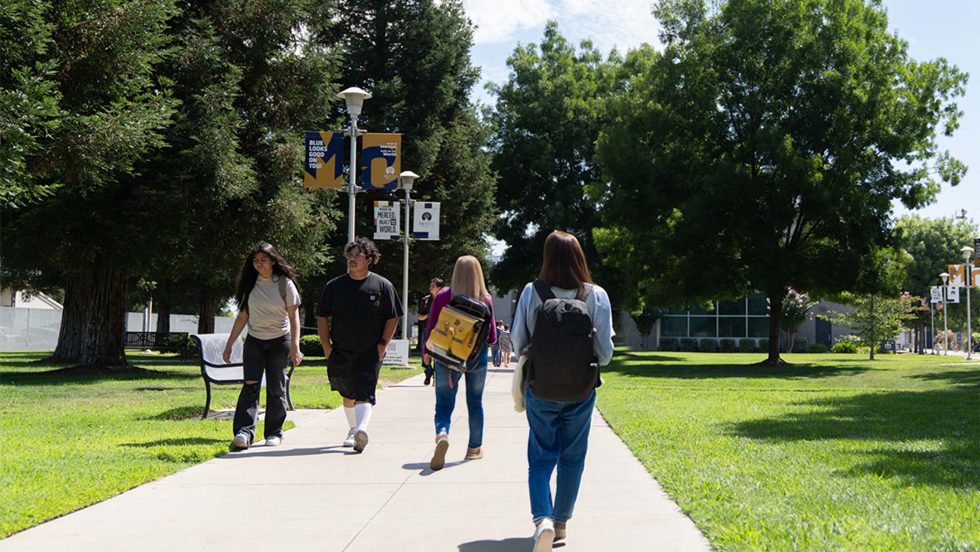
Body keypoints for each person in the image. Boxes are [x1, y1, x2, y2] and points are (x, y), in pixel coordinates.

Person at [511, 231, 614, 550]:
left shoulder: (532, 291)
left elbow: (517, 342)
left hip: (540, 387)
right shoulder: (596, 295)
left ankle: (541, 519)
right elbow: (606, 354)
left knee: (541, 457)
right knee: (573, 457)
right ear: (579, 258)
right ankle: (561, 524)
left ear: (547, 258)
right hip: (581, 390)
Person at [316, 238, 402, 453]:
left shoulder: (383, 286)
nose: (352, 260)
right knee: (348, 393)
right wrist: (327, 347)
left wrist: (382, 344)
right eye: (349, 256)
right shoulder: (334, 286)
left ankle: (361, 430)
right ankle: (353, 428)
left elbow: (393, 317)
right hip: (341, 349)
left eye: (357, 256)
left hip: (370, 350)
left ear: (369, 260)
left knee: (365, 391)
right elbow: (322, 317)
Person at [223, 241, 303, 451]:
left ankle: (274, 432)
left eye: (263, 260)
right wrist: (230, 344)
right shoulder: (250, 284)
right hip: (255, 341)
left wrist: (295, 346)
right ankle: (244, 432)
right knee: (250, 385)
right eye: (255, 261)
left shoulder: (284, 283)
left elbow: (294, 317)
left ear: (273, 260)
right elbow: (242, 317)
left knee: (277, 387)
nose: (259, 264)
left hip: (279, 341)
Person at [423, 255, 497, 471]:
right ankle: (474, 448)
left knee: (444, 403)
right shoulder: (485, 299)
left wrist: (427, 352)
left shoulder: (443, 295)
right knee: (475, 402)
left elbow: (432, 328)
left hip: (446, 357)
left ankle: (442, 433)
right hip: (476, 359)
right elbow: (492, 337)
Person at [417, 278, 445, 385]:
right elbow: (420, 316)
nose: (430, 288)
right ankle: (428, 372)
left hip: (441, 330)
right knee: (425, 352)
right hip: (427, 329)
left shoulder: (445, 299)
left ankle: (439, 374)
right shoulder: (425, 300)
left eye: (433, 286)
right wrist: (429, 316)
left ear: (439, 287)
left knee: (440, 353)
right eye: (430, 285)